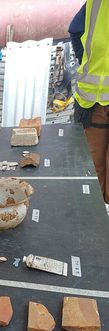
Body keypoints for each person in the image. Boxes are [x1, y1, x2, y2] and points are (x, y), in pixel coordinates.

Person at [69, 0, 109, 204]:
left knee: (94, 170)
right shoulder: (97, 3)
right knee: (91, 172)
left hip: (95, 101)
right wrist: (86, 60)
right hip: (94, 103)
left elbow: (74, 30)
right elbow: (75, 30)